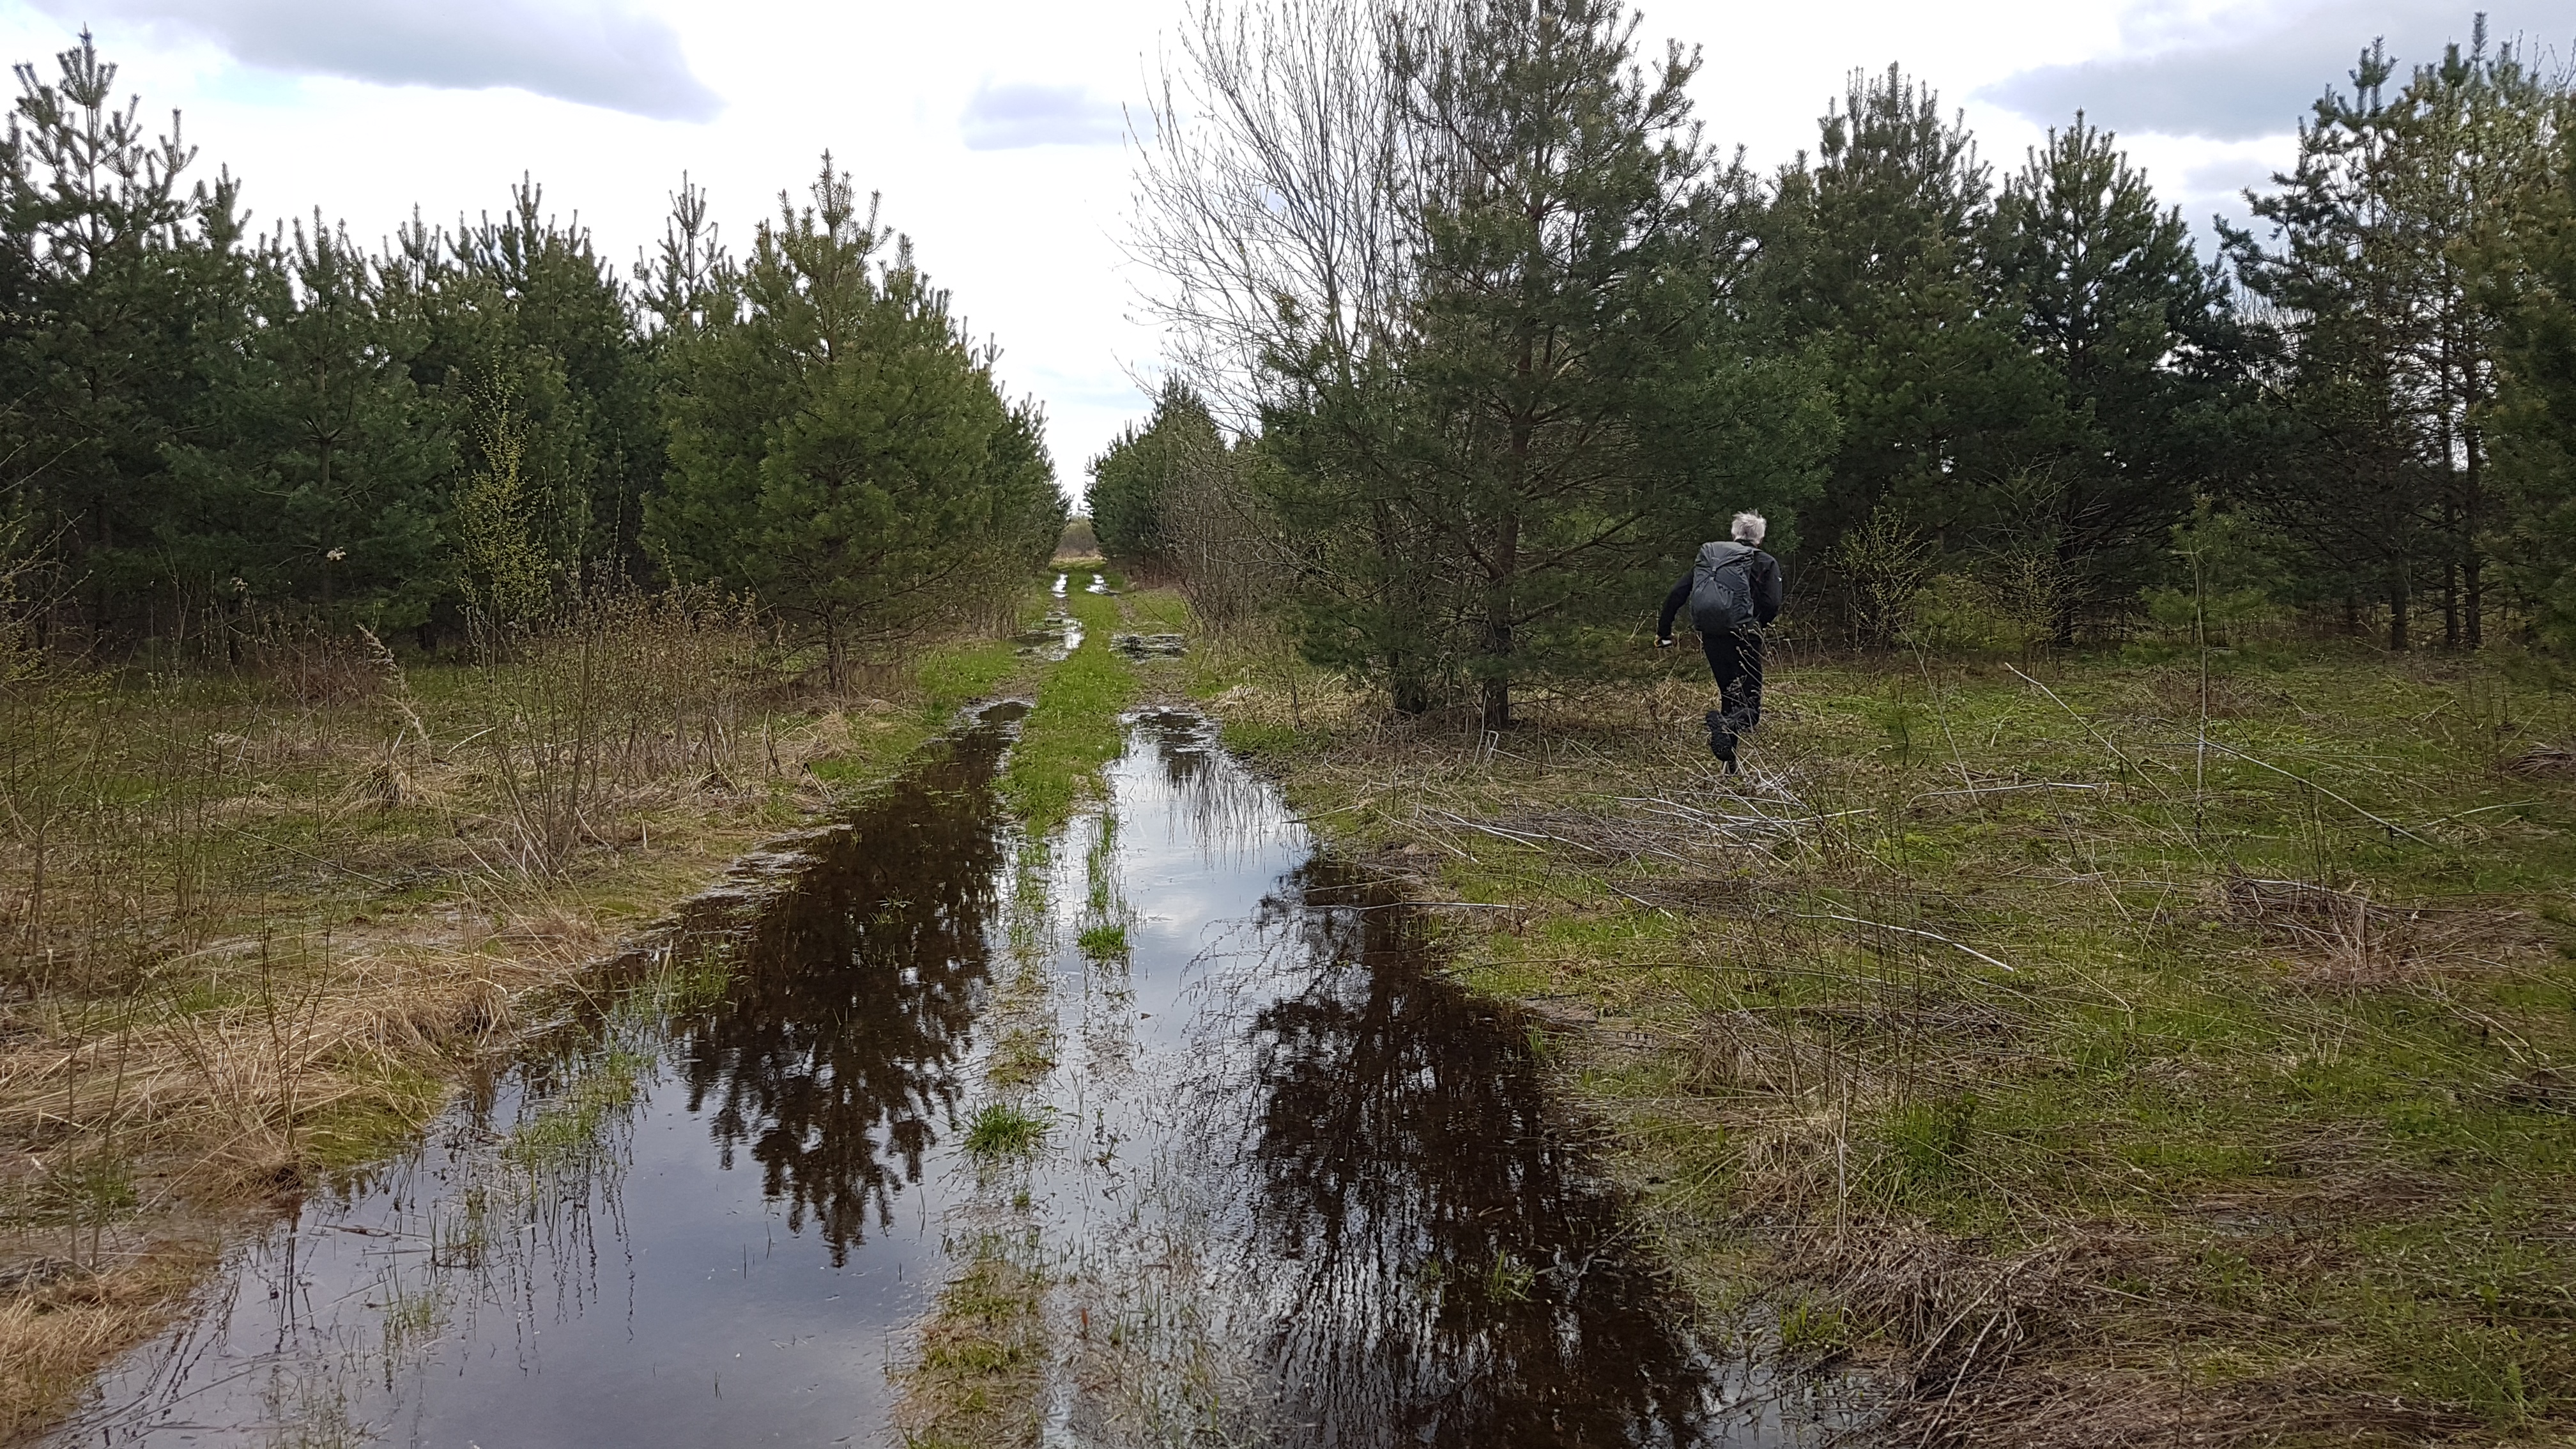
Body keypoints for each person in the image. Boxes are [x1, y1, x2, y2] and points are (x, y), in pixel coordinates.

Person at [1656, 512, 1782, 772]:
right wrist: (1758, 624)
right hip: (1746, 638)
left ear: (1734, 534)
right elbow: (1772, 603)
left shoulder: (1713, 560)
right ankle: (1724, 730)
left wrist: (1664, 631)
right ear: (1760, 538)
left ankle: (1729, 764)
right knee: (1750, 709)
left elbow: (1677, 593)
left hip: (1712, 636)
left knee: (1730, 695)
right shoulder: (1765, 562)